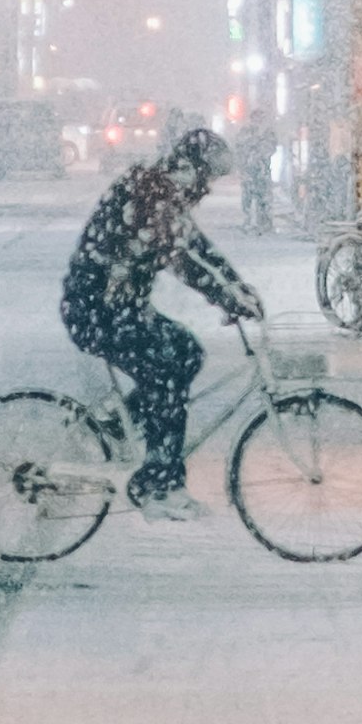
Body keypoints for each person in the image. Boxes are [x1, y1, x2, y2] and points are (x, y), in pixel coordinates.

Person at [61, 125, 260, 517]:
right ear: (197, 170)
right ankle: (158, 484)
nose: (210, 188)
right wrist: (226, 298)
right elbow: (182, 261)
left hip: (120, 308)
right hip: (98, 310)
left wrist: (238, 289)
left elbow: (199, 247)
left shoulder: (165, 191)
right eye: (211, 178)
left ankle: (117, 425)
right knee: (167, 373)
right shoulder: (153, 195)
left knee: (186, 352)